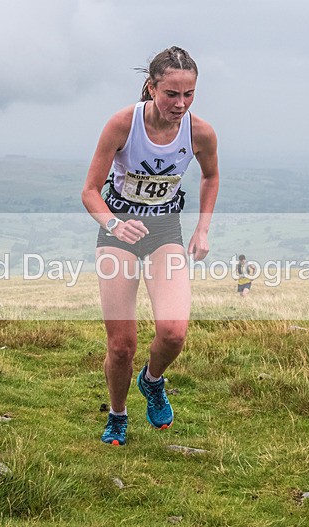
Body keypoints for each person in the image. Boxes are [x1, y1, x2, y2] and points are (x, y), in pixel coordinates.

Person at [81, 46, 219, 446]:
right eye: (171, 93)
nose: (180, 104)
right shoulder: (123, 124)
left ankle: (153, 381)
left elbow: (210, 177)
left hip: (164, 232)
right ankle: (118, 414)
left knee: (174, 332)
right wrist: (112, 223)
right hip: (118, 232)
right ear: (151, 87)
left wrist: (202, 229)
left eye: (188, 94)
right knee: (121, 346)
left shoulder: (201, 132)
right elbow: (90, 191)